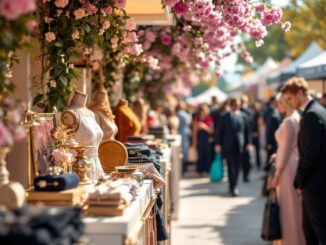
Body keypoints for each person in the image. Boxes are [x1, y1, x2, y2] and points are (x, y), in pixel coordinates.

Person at [281, 77, 326, 245]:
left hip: (315, 183)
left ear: (300, 93)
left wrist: (299, 181)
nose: (289, 102)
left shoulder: (312, 115)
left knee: (318, 230)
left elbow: (309, 154)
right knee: (309, 230)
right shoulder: (318, 110)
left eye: (290, 98)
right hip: (316, 181)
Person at [270, 93, 305, 245]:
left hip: (286, 168)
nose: (278, 105)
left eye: (280, 102)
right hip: (291, 164)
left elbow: (284, 151)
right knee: (291, 208)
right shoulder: (294, 120)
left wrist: (276, 174)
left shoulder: (289, 121)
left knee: (288, 209)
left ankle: (291, 240)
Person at [215, 97, 250, 196]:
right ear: (230, 105)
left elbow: (247, 131)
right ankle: (232, 186)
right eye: (234, 104)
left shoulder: (244, 116)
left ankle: (235, 184)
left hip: (240, 145)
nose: (236, 106)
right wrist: (218, 144)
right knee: (231, 167)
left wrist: (248, 143)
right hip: (228, 146)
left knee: (238, 167)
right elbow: (219, 131)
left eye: (238, 105)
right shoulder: (224, 117)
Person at [192, 104, 213, 177]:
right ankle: (200, 171)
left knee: (207, 155)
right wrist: (194, 142)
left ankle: (207, 170)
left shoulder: (209, 118)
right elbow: (194, 132)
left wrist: (204, 127)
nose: (202, 111)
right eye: (201, 110)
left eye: (204, 110)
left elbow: (211, 131)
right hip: (200, 139)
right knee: (200, 155)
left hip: (207, 139)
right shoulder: (197, 119)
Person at [240, 95, 254, 181]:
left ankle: (245, 174)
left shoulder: (248, 112)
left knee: (244, 158)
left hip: (242, 139)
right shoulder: (249, 112)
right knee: (246, 158)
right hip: (246, 138)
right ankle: (246, 174)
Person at [265, 96, 282, 164]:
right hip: (272, 139)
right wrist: (268, 142)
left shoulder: (276, 111)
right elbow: (268, 128)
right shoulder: (271, 113)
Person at [176, 101, 191, 175]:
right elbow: (188, 122)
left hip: (180, 132)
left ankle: (182, 167)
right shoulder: (183, 114)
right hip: (184, 132)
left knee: (181, 150)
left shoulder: (177, 114)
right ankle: (184, 167)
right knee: (184, 150)